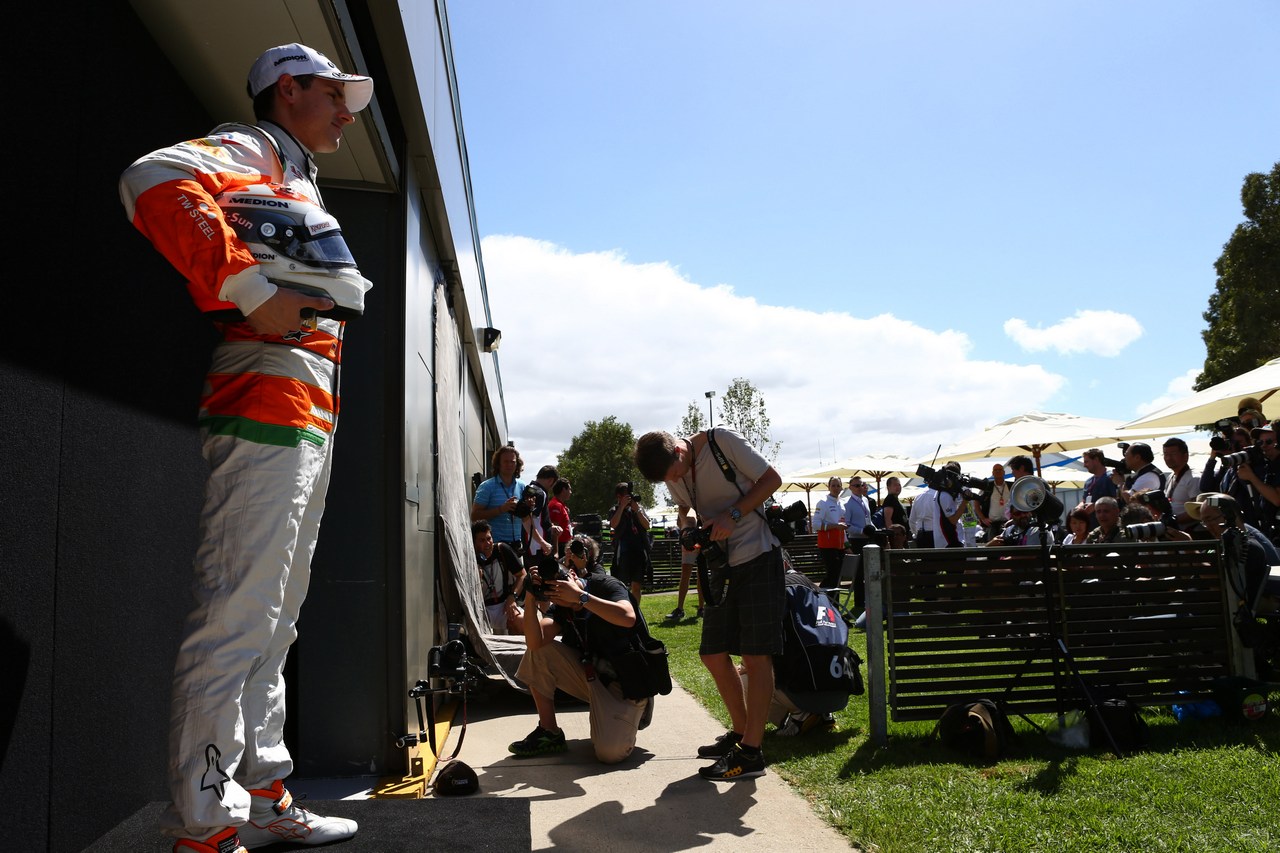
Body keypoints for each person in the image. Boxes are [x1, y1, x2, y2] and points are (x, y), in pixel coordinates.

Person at [118, 43, 372, 852]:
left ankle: (264, 793)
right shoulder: (252, 146)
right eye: (334, 96)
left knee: (277, 617)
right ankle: (203, 825)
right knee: (239, 609)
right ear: (287, 90)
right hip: (264, 384)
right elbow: (151, 178)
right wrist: (248, 288)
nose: (346, 112)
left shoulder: (297, 171)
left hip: (308, 396)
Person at [635, 428, 784, 782]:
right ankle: (741, 733)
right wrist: (688, 528)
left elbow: (772, 479)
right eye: (667, 480)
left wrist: (732, 515)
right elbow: (685, 510)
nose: (675, 481)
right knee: (713, 652)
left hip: (759, 554)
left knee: (756, 654)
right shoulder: (670, 469)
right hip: (721, 563)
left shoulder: (720, 443)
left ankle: (751, 753)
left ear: (680, 450)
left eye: (675, 473)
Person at [509, 535, 650, 763]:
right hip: (593, 678)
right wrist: (531, 597)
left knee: (608, 754)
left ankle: (631, 716)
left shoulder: (605, 585)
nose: (558, 597)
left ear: (573, 577)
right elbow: (535, 644)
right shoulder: (561, 605)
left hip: (626, 685)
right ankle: (549, 732)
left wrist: (581, 598)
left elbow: (627, 617)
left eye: (560, 590)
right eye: (553, 593)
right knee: (540, 652)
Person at [471, 445, 527, 554]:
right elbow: (474, 516)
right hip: (494, 546)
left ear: (517, 464)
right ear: (498, 464)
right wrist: (501, 509)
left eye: (513, 462)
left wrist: (528, 509)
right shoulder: (487, 486)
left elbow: (526, 520)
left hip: (516, 545)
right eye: (506, 461)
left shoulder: (522, 486)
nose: (509, 465)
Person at [474, 520, 525, 634]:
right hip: (481, 608)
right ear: (474, 543)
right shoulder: (471, 559)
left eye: (489, 538)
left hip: (504, 604)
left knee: (522, 623)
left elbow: (522, 575)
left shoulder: (502, 549)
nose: (487, 544)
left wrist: (512, 597)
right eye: (482, 540)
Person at [608, 482, 653, 600]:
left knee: (636, 584)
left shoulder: (638, 508)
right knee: (621, 584)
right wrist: (622, 507)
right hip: (623, 552)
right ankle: (624, 608)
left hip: (638, 550)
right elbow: (613, 524)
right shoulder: (615, 510)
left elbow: (647, 526)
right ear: (619, 497)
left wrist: (637, 510)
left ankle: (636, 611)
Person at [666, 509, 704, 621]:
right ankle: (698, 608)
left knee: (696, 575)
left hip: (694, 540)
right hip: (694, 540)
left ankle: (685, 608)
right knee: (696, 574)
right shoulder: (689, 503)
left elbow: (681, 522)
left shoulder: (685, 503)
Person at [812, 477, 849, 589]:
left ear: (842, 487)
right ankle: (820, 596)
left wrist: (847, 546)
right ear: (828, 487)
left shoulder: (842, 504)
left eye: (838, 485)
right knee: (833, 575)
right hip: (827, 545)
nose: (836, 488)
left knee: (837, 576)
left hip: (840, 545)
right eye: (833, 485)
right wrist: (834, 526)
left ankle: (832, 603)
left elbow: (842, 528)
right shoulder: (823, 503)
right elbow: (815, 525)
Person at [1161, 438, 1201, 530]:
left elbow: (1198, 510)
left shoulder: (1194, 478)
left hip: (1191, 532)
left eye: (1173, 454)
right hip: (1173, 530)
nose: (1168, 458)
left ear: (1185, 456)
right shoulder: (1171, 476)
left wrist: (1173, 520)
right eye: (1166, 454)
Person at [978, 464, 1011, 540]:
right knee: (993, 548)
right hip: (992, 525)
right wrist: (983, 518)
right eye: (995, 470)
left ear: (1004, 472)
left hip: (1008, 523)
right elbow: (976, 502)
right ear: (992, 473)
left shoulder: (1011, 486)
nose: (998, 472)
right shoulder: (987, 486)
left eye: (1000, 470)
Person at [547, 477, 574, 557]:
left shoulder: (561, 505)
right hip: (560, 546)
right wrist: (556, 551)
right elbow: (555, 529)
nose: (571, 492)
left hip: (565, 544)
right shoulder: (556, 505)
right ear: (563, 490)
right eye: (569, 489)